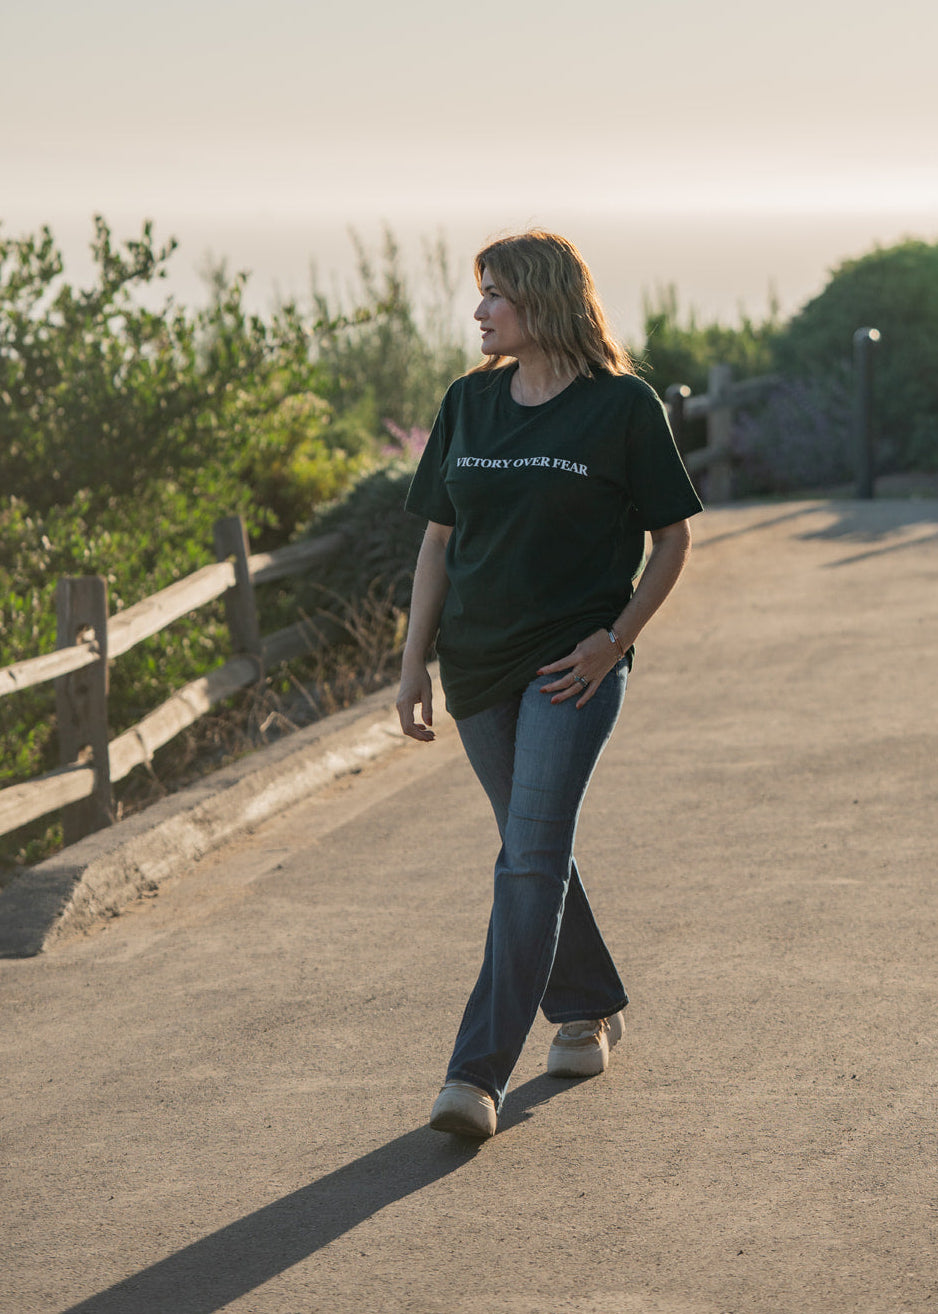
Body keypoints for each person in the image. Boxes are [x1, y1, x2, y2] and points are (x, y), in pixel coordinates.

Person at [396, 230, 703, 1139]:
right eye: (480, 294)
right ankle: (589, 1003)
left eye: (495, 294)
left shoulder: (621, 408)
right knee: (537, 851)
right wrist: (414, 662)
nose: (480, 311)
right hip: (476, 664)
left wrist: (614, 642)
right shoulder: (470, 402)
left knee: (527, 859)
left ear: (543, 300)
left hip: (570, 671)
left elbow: (674, 537)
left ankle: (474, 1077)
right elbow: (438, 542)